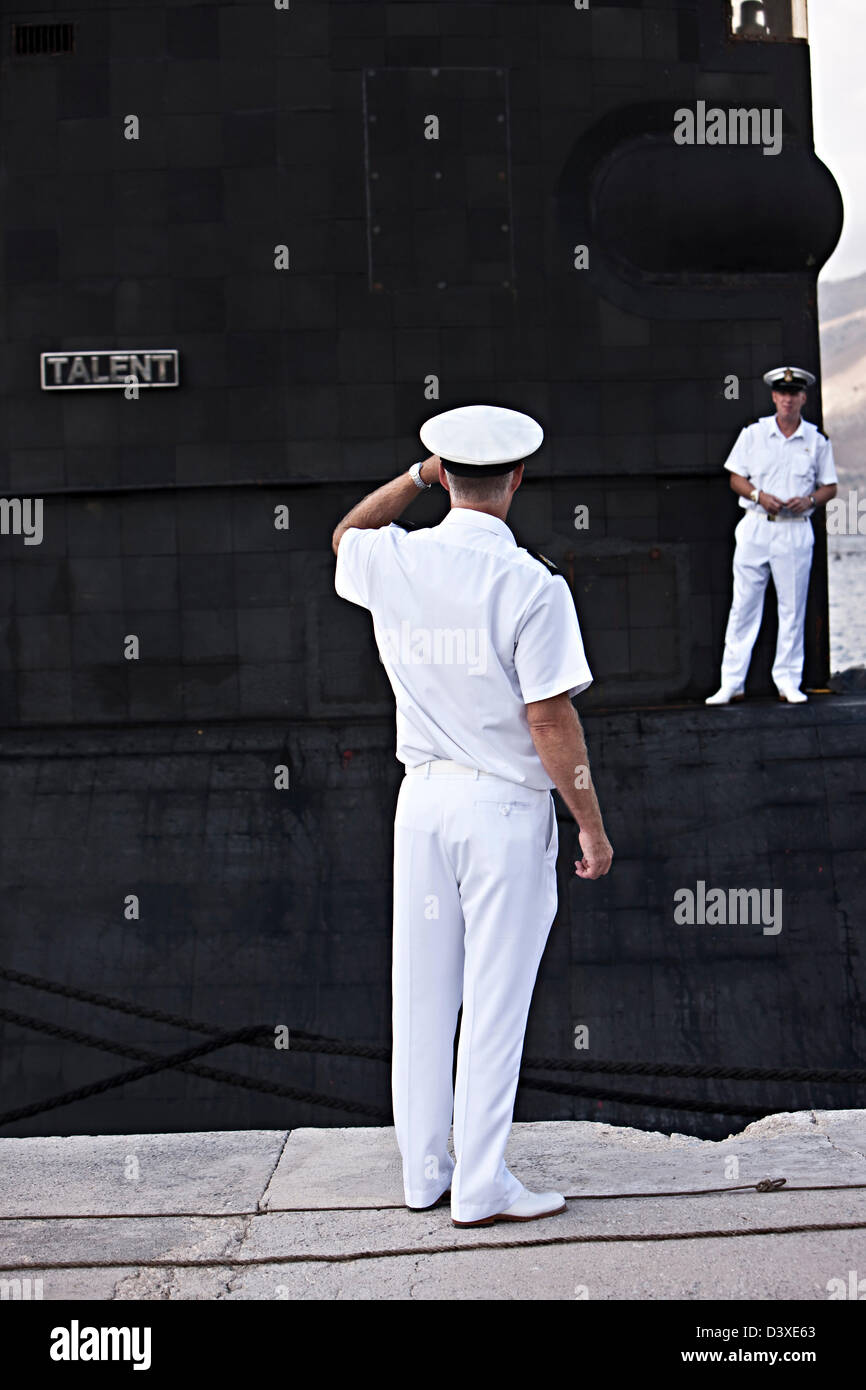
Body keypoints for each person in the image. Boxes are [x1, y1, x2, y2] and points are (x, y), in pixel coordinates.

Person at [332, 404, 613, 1228]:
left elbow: (346, 531)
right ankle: (482, 1183)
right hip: (502, 807)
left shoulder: (394, 557)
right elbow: (551, 722)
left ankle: (424, 1173)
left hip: (422, 801)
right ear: (519, 479)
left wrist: (416, 477)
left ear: (444, 474)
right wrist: (590, 825)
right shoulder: (532, 586)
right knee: (495, 996)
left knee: (421, 992)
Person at [706, 367, 837, 706]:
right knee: (743, 607)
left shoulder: (815, 440)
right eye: (782, 393)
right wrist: (758, 496)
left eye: (794, 393)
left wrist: (808, 500)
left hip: (794, 530)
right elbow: (736, 477)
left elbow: (830, 487)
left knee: (792, 609)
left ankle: (788, 680)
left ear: (803, 398)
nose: (788, 399)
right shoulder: (754, 434)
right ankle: (731, 682)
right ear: (774, 396)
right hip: (756, 525)